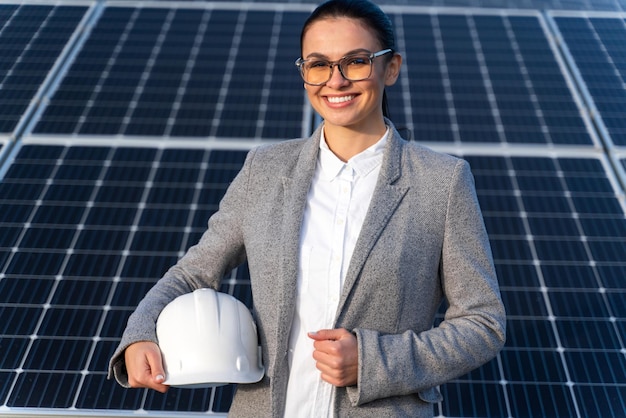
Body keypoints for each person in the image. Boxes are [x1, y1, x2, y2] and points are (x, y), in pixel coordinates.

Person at [108, 0, 506, 416]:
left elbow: (482, 323)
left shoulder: (442, 182)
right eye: (318, 64)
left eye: (356, 61)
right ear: (304, 73)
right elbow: (192, 273)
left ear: (391, 67)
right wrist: (140, 332)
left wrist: (374, 361)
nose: (335, 81)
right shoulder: (264, 169)